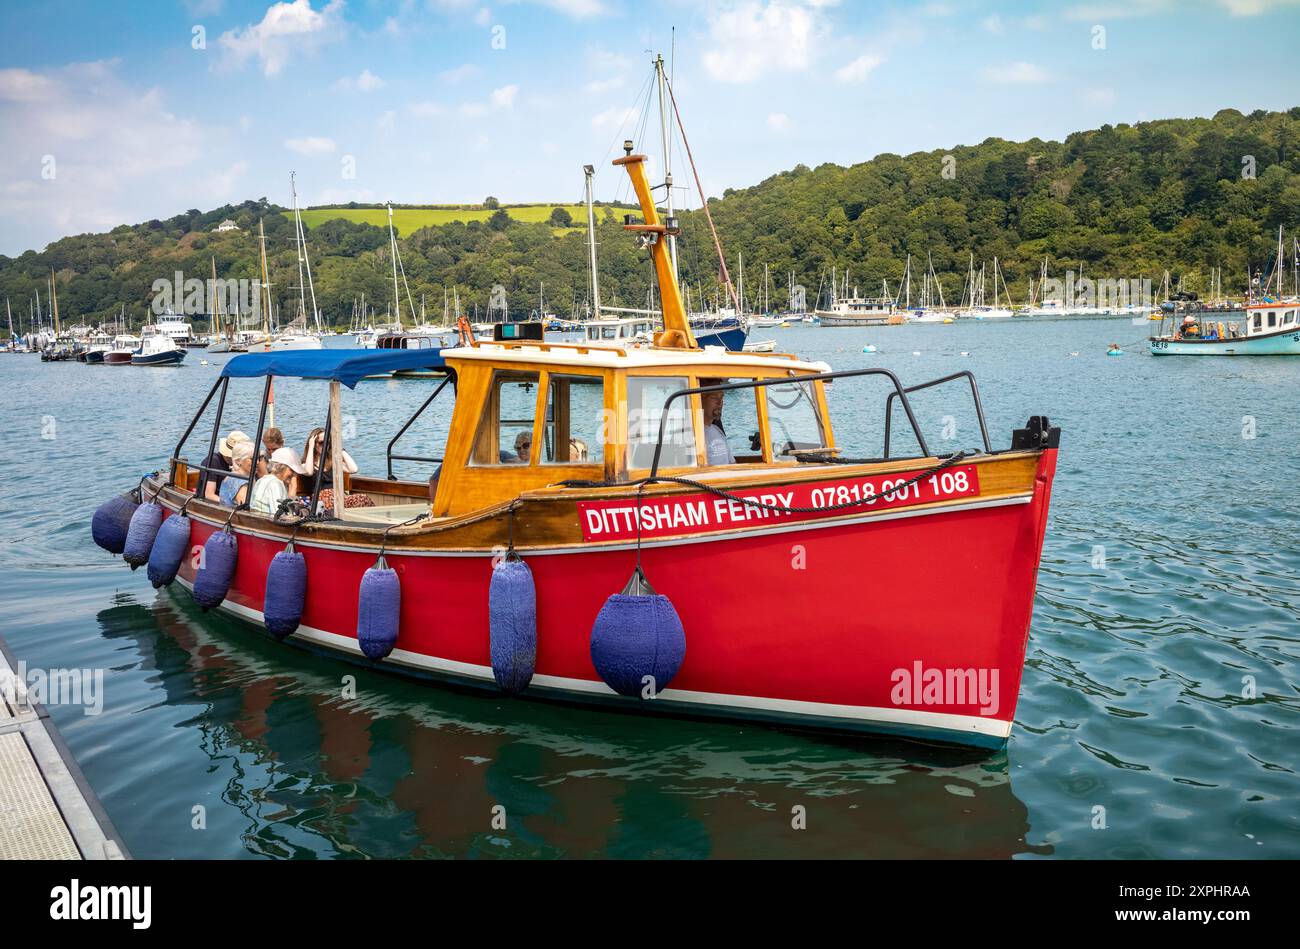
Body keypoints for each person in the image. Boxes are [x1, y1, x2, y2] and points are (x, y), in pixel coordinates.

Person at [202, 430, 250, 501]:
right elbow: (209, 495)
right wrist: (229, 505)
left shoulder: (245, 465)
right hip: (216, 503)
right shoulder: (212, 462)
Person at [699, 378, 735, 466]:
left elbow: (733, 464)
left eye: (721, 397)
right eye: (714, 397)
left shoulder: (717, 430)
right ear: (700, 400)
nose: (720, 402)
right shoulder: (692, 434)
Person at [219, 441, 260, 506]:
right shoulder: (242, 483)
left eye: (258, 458)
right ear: (238, 461)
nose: (257, 462)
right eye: (252, 459)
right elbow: (246, 510)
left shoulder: (232, 475)